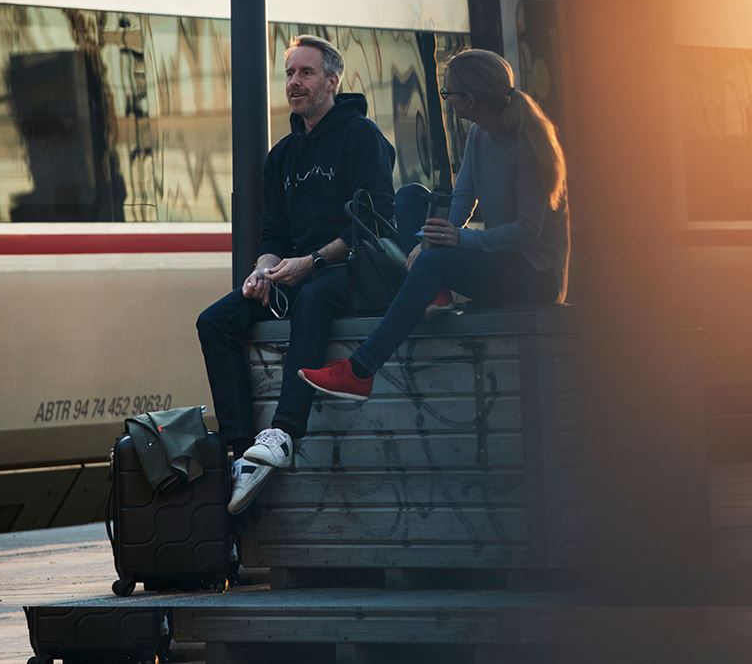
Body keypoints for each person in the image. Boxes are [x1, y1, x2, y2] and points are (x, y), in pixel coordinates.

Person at [298, 48, 570, 402]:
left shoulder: (529, 143)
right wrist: (431, 239)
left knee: (433, 262)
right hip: (504, 260)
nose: (447, 101)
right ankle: (434, 291)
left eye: (448, 94)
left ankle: (360, 370)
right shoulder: (479, 134)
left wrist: (456, 240)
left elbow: (524, 233)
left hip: (535, 274)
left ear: (470, 98)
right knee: (411, 196)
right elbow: (463, 197)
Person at [196, 35, 395, 513]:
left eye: (306, 73)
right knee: (215, 321)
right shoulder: (282, 155)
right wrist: (262, 272)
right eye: (289, 74)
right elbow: (272, 233)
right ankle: (243, 448)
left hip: (351, 269)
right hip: (294, 273)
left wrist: (314, 261)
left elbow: (375, 222)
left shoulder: (362, 137)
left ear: (333, 80)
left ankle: (284, 430)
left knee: (313, 297)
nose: (294, 83)